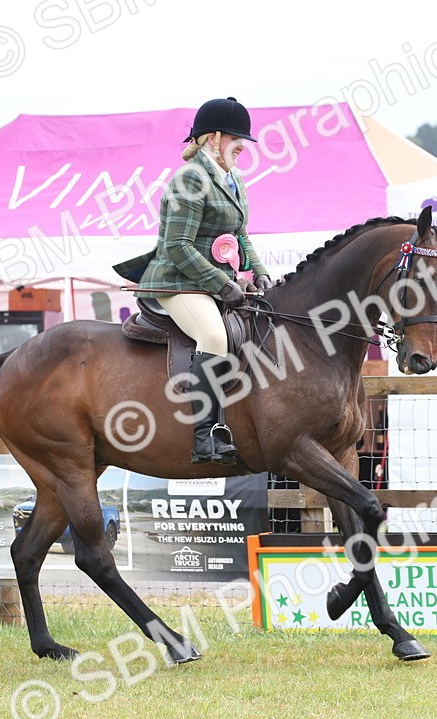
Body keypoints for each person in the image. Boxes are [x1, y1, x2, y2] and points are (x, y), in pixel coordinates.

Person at [113, 97, 273, 464]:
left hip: (210, 281)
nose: (243, 147)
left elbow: (240, 236)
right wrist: (223, 284)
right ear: (214, 138)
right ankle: (205, 437)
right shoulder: (190, 179)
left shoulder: (233, 180)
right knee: (214, 336)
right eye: (237, 139)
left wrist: (257, 270)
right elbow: (179, 246)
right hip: (176, 280)